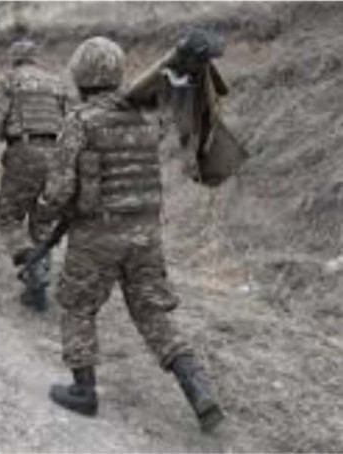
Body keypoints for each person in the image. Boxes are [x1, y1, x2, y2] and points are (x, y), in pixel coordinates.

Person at [40, 36, 224, 432]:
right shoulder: (145, 117)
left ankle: (84, 391)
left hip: (96, 235)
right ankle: (198, 390)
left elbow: (58, 191)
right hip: (146, 233)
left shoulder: (79, 121)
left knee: (77, 306)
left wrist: (44, 214)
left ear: (81, 73)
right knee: (151, 312)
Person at [0, 39, 74, 311]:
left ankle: (29, 259)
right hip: (57, 154)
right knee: (43, 221)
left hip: (24, 152)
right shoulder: (57, 83)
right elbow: (73, 123)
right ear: (36, 57)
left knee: (8, 215)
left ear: (14, 58)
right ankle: (36, 284)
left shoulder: (8, 81)